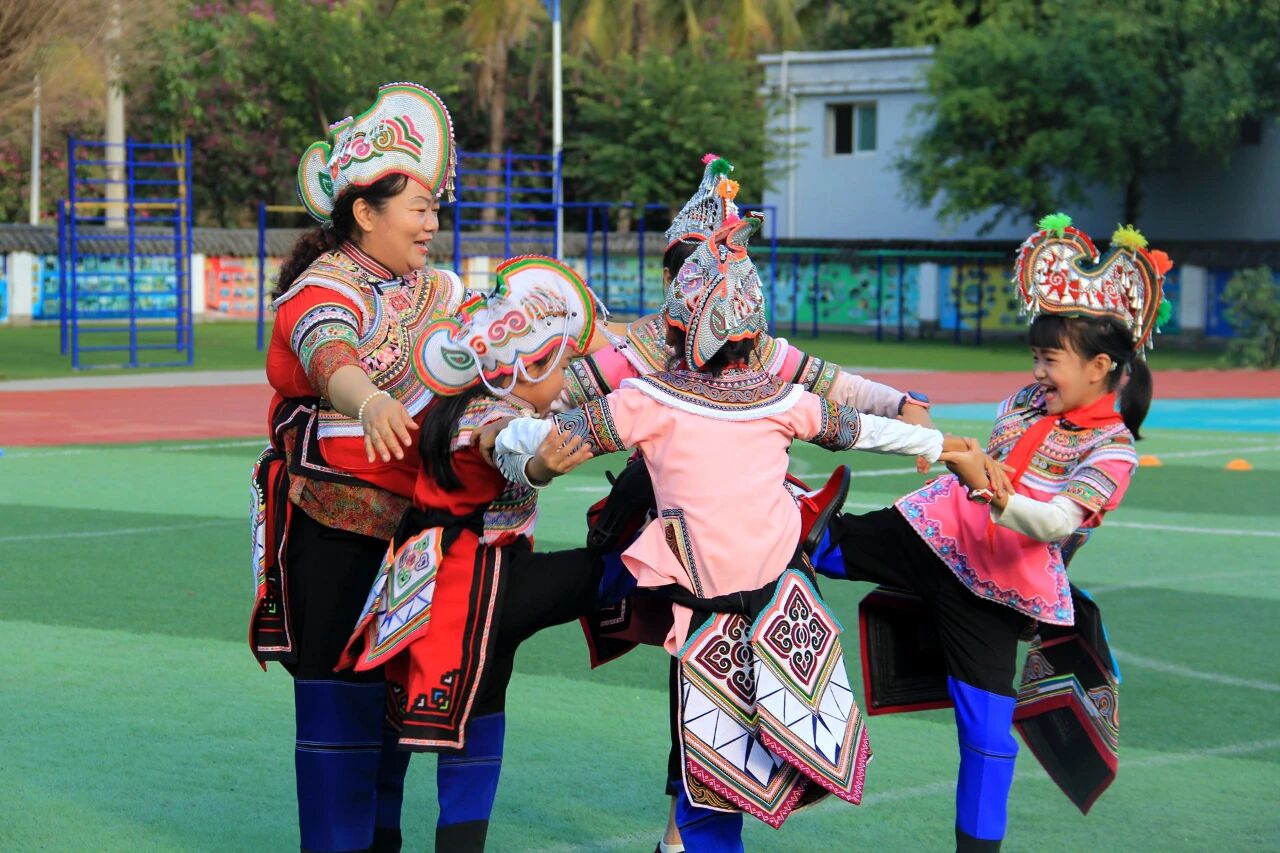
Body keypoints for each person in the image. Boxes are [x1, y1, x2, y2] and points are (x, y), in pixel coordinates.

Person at [495, 215, 975, 851]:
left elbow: (535, 435)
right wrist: (944, 445)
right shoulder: (778, 398)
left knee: (713, 794)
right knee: (721, 789)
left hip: (713, 618)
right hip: (770, 610)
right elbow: (865, 430)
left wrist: (517, 450)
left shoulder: (652, 400)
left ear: (679, 326)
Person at [810, 214, 1170, 851]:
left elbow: (1057, 523)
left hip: (999, 588)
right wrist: (949, 450)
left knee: (985, 734)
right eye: (1035, 357)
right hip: (935, 532)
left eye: (1051, 359)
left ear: (1099, 367)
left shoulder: (1113, 450)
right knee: (814, 539)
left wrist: (993, 489)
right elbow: (988, 457)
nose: (1037, 370)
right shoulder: (1026, 402)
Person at [248, 82, 463, 853]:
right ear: (366, 213)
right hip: (336, 528)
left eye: (435, 209)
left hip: (414, 532)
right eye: (419, 209)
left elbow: (514, 342)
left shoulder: (435, 292)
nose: (431, 223)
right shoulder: (324, 287)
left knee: (394, 709)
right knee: (340, 707)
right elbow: (328, 352)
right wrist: (368, 399)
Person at [339, 256, 612, 851]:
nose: (569, 377)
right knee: (625, 567)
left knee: (438, 721)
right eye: (562, 364)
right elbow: (503, 442)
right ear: (526, 368)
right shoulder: (492, 416)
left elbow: (599, 371)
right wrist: (539, 464)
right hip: (474, 585)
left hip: (425, 579)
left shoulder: (467, 398)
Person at [557, 154, 935, 432]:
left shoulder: (757, 352)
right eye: (697, 279)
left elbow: (843, 393)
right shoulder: (644, 355)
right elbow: (561, 401)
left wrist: (903, 406)